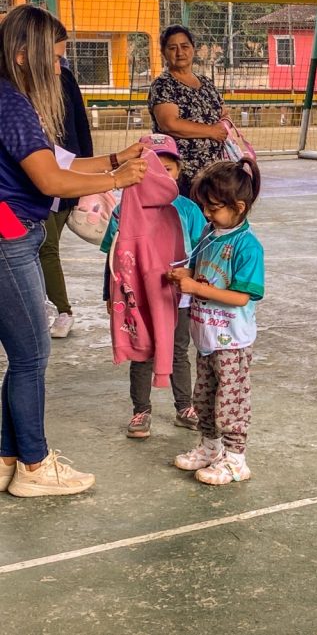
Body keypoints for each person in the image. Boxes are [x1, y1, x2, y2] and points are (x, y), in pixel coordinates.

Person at [0, 5, 149, 497]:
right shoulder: (12, 104)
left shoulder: (12, 98)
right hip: (9, 236)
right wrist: (116, 179)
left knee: (23, 355)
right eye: (56, 58)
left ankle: (7, 458)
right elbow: (50, 178)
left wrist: (115, 157)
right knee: (31, 357)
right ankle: (37, 466)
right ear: (25, 56)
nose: (61, 68)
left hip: (13, 231)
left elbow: (59, 159)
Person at [101, 134, 207, 438]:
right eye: (153, 168)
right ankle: (141, 411)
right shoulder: (123, 211)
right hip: (139, 299)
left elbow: (201, 251)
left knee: (177, 350)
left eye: (168, 169)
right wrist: (109, 294)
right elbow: (113, 258)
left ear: (179, 172)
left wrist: (196, 285)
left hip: (178, 298)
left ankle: (184, 406)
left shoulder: (186, 209)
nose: (161, 175)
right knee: (142, 351)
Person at [167, 157, 264, 486]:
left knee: (230, 401)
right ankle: (211, 448)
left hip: (232, 342)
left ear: (238, 206)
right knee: (205, 397)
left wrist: (194, 287)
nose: (207, 214)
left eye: (214, 208)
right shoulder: (210, 234)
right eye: (204, 207)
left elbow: (241, 296)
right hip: (207, 338)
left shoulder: (247, 246)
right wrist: (185, 275)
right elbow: (198, 271)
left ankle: (236, 459)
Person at [42, 60, 94, 339]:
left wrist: (91, 177)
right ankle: (56, 308)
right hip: (31, 183)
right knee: (42, 247)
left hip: (66, 173)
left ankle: (59, 309)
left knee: (46, 247)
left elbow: (80, 124)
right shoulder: (14, 89)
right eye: (53, 55)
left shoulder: (65, 77)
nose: (58, 65)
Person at [148, 24, 229, 196]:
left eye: (185, 46)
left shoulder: (206, 83)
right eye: (172, 48)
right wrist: (211, 131)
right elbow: (169, 124)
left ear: (193, 49)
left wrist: (224, 124)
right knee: (185, 220)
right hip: (182, 174)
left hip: (214, 173)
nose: (180, 52)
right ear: (163, 52)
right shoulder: (163, 85)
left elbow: (223, 113)